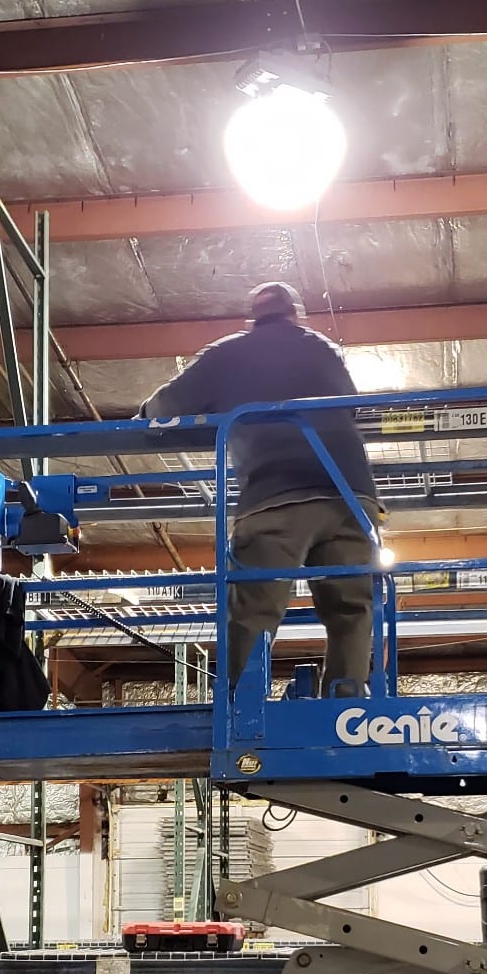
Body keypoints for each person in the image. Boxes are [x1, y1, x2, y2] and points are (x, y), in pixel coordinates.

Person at [140, 283, 381, 697]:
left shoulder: (227, 353)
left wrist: (145, 414)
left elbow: (163, 410)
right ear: (296, 314)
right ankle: (345, 706)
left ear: (253, 318)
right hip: (349, 496)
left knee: (255, 611)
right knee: (350, 610)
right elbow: (352, 406)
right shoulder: (324, 349)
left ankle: (244, 708)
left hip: (274, 497)